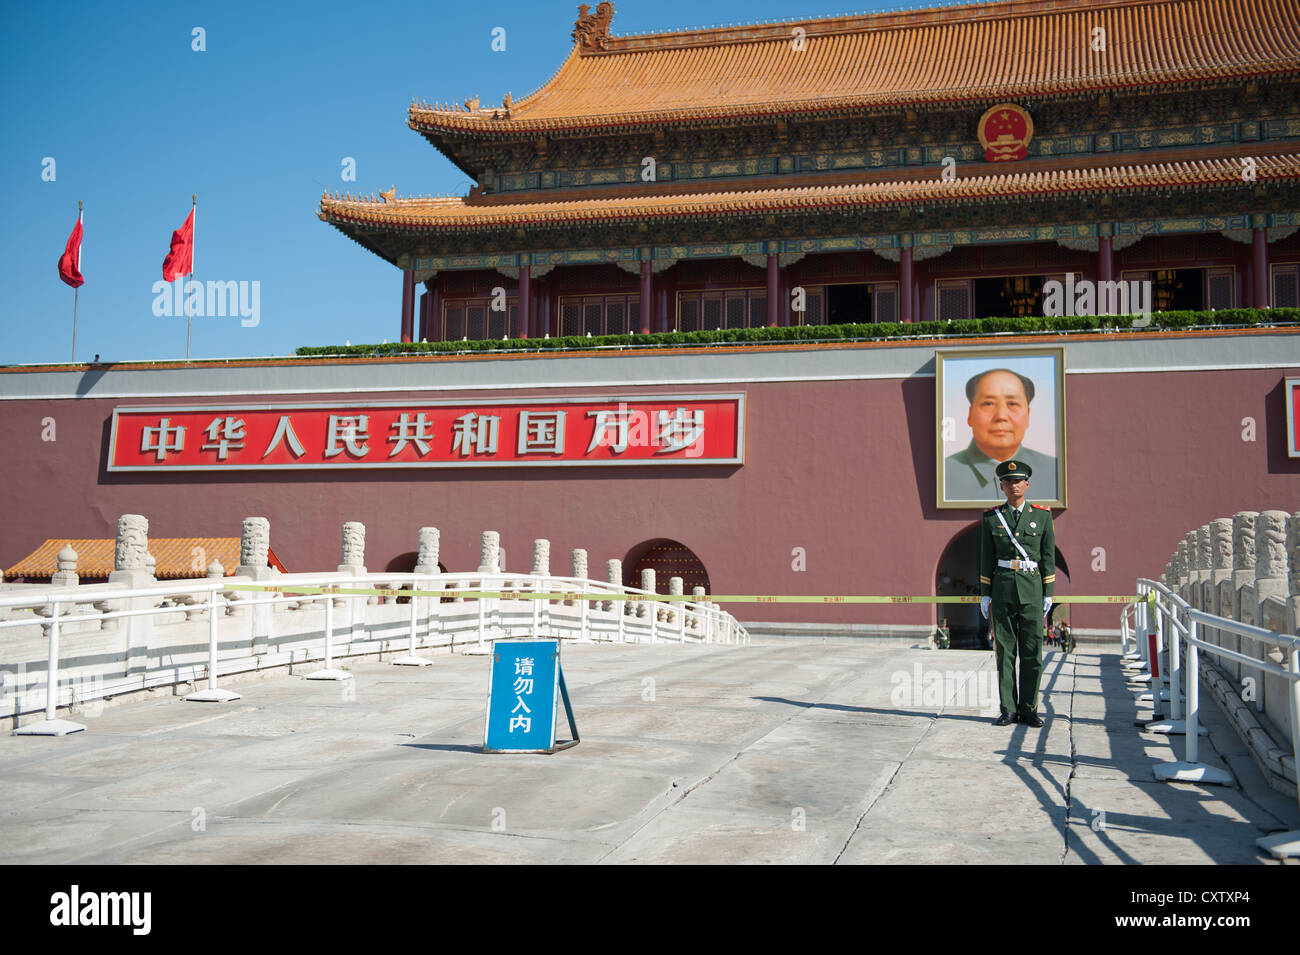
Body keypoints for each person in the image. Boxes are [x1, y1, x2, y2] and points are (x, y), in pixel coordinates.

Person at [979, 459, 1056, 727]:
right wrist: (985, 593)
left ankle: (1029, 709)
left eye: (1018, 481)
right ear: (1002, 486)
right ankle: (1008, 709)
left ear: (1027, 484)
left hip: (1032, 590)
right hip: (1002, 591)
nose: (1014, 485)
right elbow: (986, 557)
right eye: (1008, 481)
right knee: (1005, 652)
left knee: (1032, 652)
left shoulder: (1042, 516)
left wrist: (1049, 592)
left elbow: (1047, 557)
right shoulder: (991, 518)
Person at [944, 368, 1057, 503]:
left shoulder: (1054, 471)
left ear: (1028, 415)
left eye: (1012, 404)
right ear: (970, 415)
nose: (1001, 416)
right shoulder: (944, 473)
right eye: (988, 403)